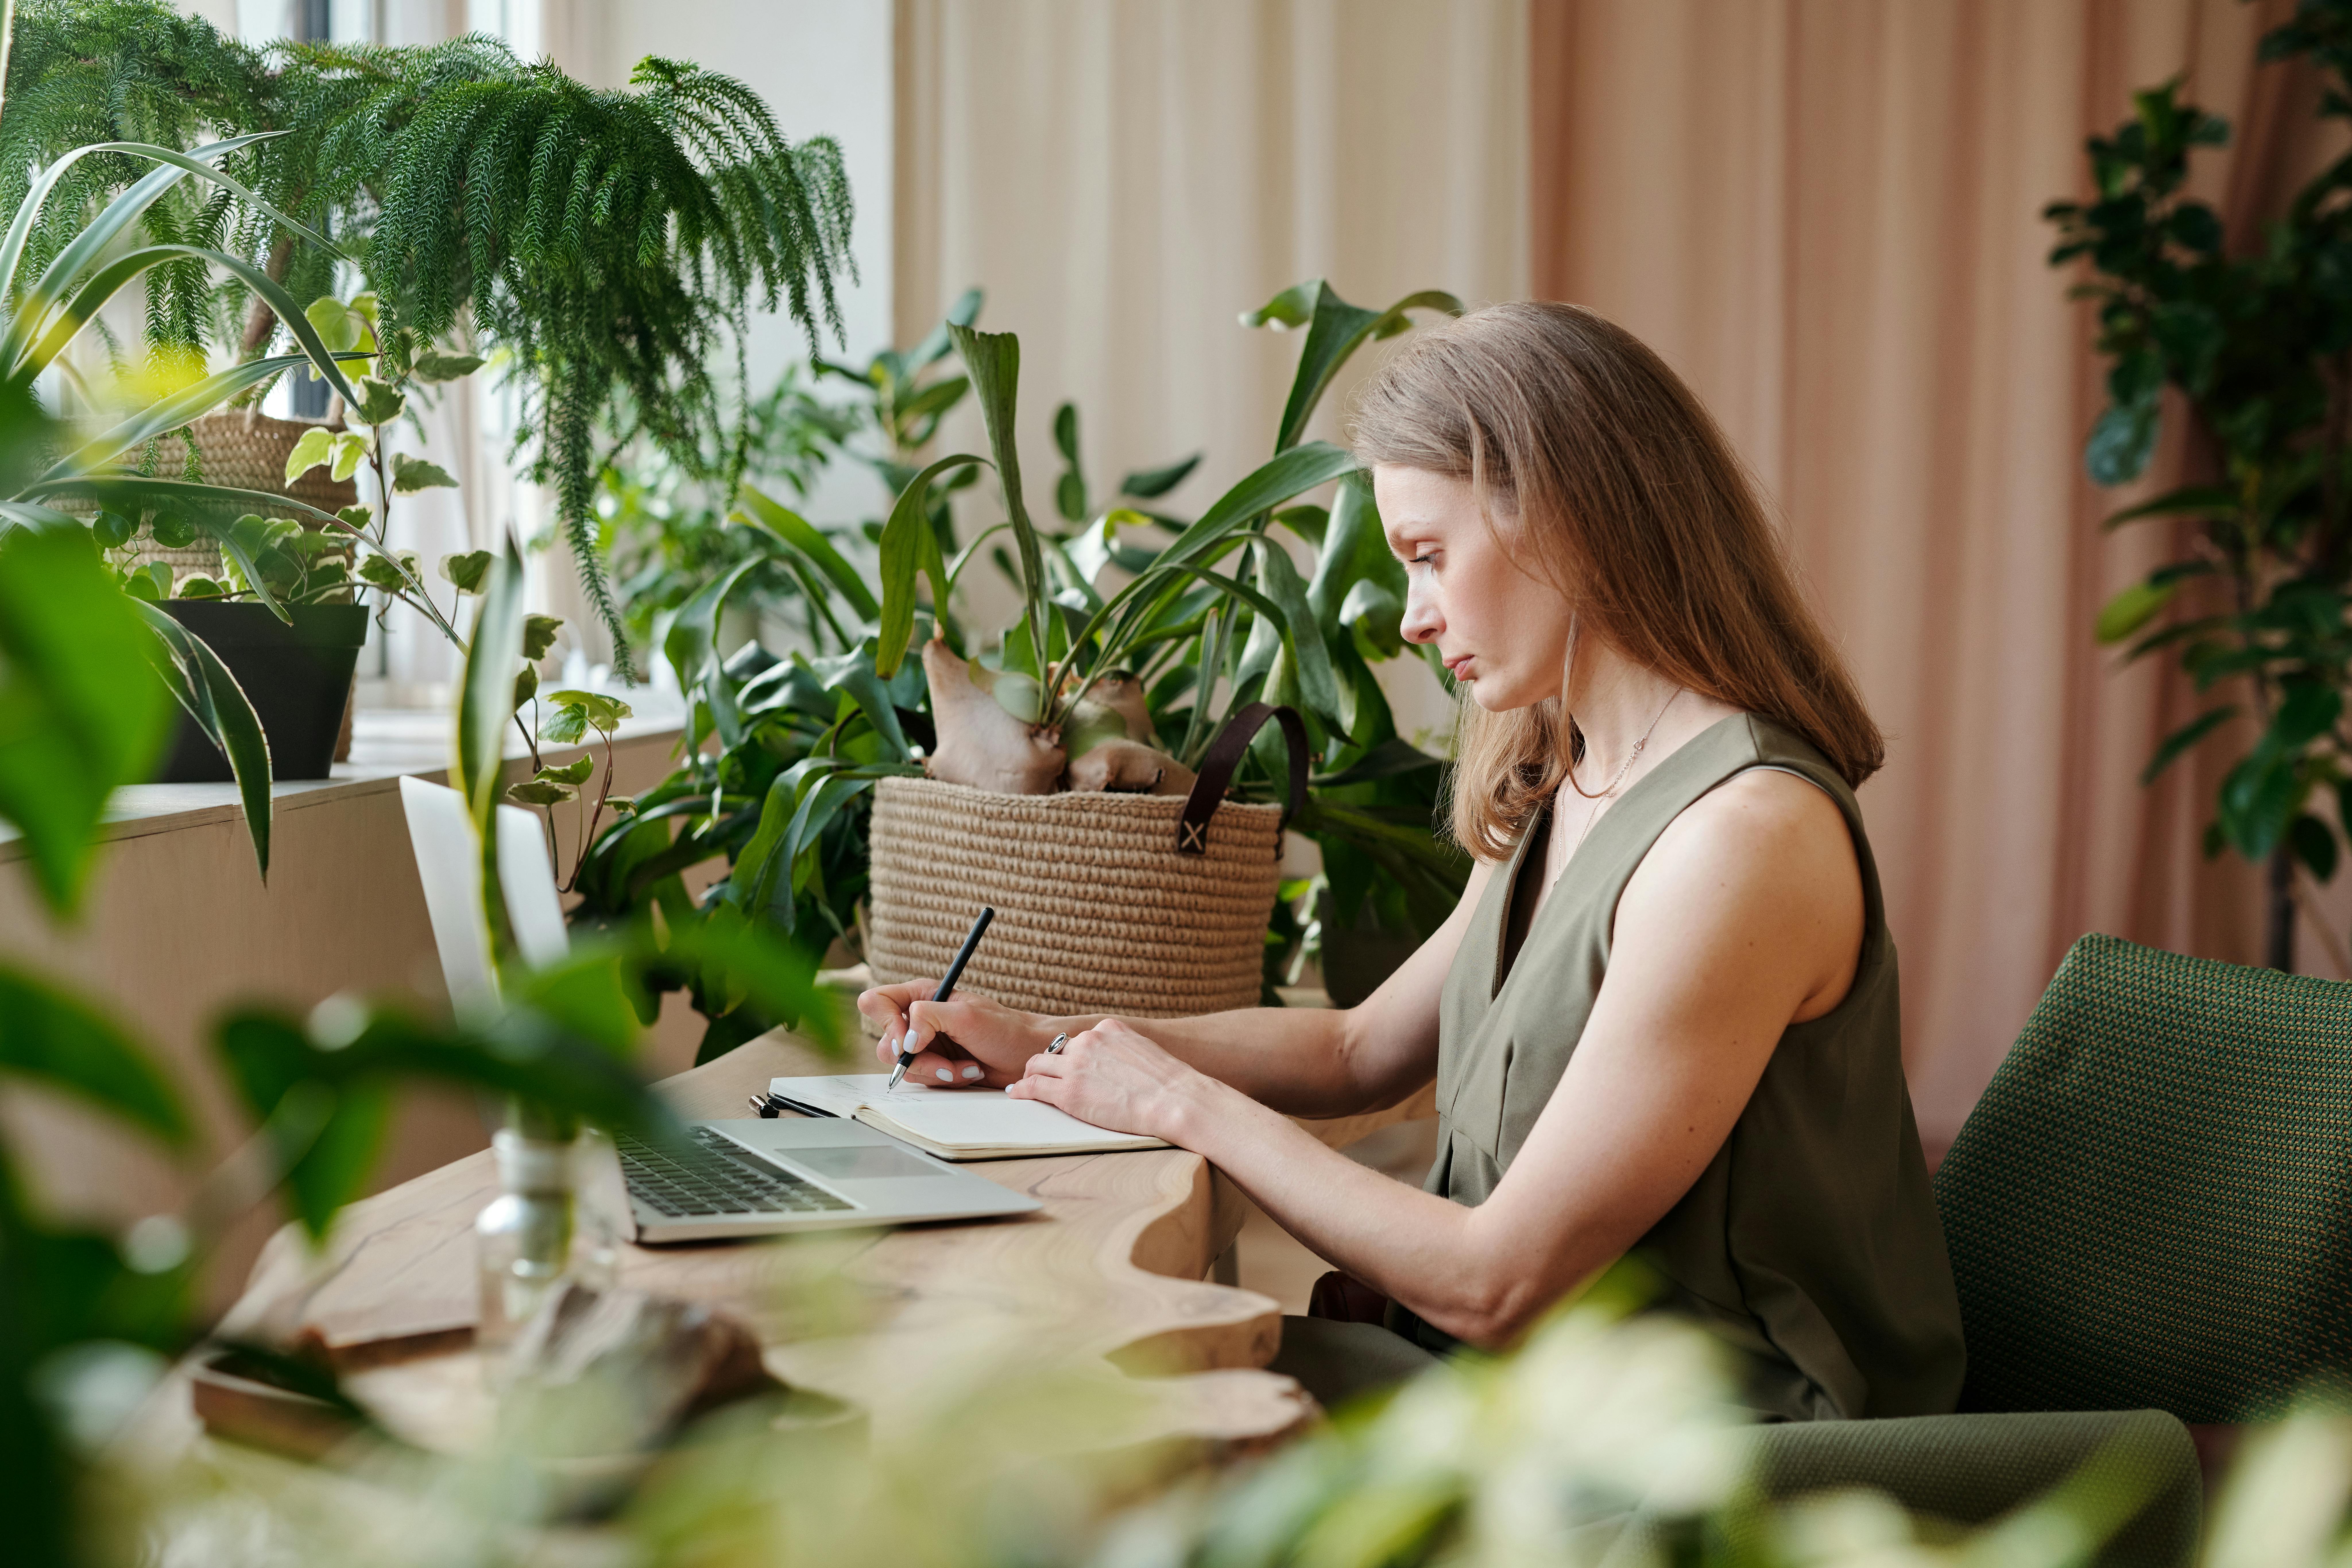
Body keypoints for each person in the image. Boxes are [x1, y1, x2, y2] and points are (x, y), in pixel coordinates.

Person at [859, 301, 1965, 1418]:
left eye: (1427, 557)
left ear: (1566, 513)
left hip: (1708, 1456)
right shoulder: (1570, 772)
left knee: (1058, 1419)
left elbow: (1497, 1281)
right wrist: (1044, 1041)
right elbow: (1354, 1048)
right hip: (1527, 1396)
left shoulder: (1738, 839)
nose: (1410, 620)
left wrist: (1180, 1104)